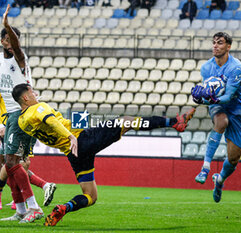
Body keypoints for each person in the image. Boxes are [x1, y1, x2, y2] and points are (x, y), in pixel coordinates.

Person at [11, 83, 196, 227]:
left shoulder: (22, 120)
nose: (36, 94)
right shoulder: (38, 108)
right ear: (26, 97)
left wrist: (26, 153)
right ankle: (174, 122)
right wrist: (69, 135)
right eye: (32, 92)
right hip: (80, 139)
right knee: (125, 122)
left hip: (73, 154)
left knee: (90, 195)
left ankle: (64, 208)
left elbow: (29, 138)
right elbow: (51, 121)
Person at [0, 4, 43, 223]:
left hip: (22, 112)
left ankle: (33, 207)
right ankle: (20, 209)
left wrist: (7, 25)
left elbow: (16, 47)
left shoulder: (20, 57)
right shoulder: (0, 58)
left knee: (11, 162)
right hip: (14, 117)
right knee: (10, 163)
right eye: (7, 38)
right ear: (2, 41)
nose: (11, 41)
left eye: (13, 38)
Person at [191, 32, 241, 203]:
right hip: (219, 106)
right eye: (214, 42)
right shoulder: (206, 68)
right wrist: (203, 98)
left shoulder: (235, 67)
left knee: (233, 158)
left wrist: (213, 98)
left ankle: (220, 180)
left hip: (237, 107)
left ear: (228, 46)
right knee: (221, 121)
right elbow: (210, 92)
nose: (215, 46)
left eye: (220, 43)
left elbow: (229, 95)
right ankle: (205, 168)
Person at [0, 73, 56, 210]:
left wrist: (1, 128)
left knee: (19, 163)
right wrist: (1, 128)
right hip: (11, 126)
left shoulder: (12, 86)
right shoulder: (10, 93)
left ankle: (9, 194)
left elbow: (20, 109)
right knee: (4, 162)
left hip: (23, 126)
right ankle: (35, 189)